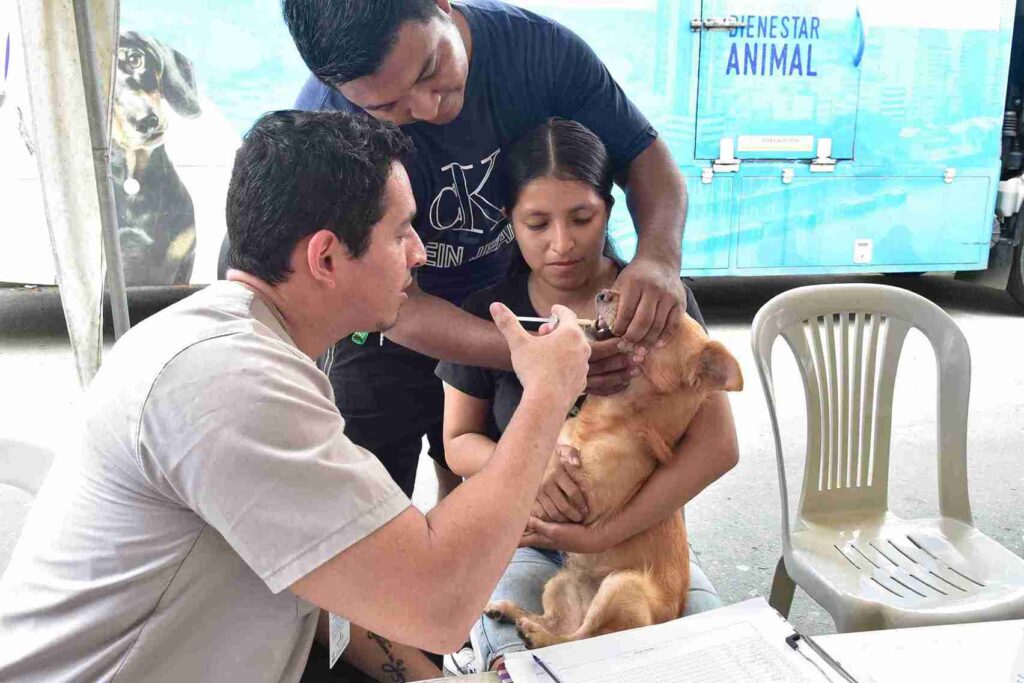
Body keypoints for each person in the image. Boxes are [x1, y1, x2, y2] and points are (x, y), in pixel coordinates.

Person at [0, 110, 591, 683]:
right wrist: (546, 393)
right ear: (326, 257)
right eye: (402, 231)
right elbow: (437, 604)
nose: (420, 253)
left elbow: (335, 577)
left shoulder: (250, 348)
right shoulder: (227, 383)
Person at [273, 0, 693, 501]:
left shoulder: (539, 52)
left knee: (508, 486)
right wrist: (534, 356)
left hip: (520, 298)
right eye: (387, 108)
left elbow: (645, 155)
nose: (429, 109)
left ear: (441, 6)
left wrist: (659, 258)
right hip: (389, 323)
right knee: (368, 501)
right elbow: (396, 306)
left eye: (430, 70)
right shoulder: (329, 126)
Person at [436, 118, 740, 673]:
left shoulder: (662, 306)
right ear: (509, 221)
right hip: (527, 535)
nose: (562, 243)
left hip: (641, 542)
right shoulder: (491, 312)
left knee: (701, 655)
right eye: (537, 222)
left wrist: (606, 532)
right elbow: (458, 443)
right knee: (516, 653)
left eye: (582, 218)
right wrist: (532, 462)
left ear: (609, 209)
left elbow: (719, 448)